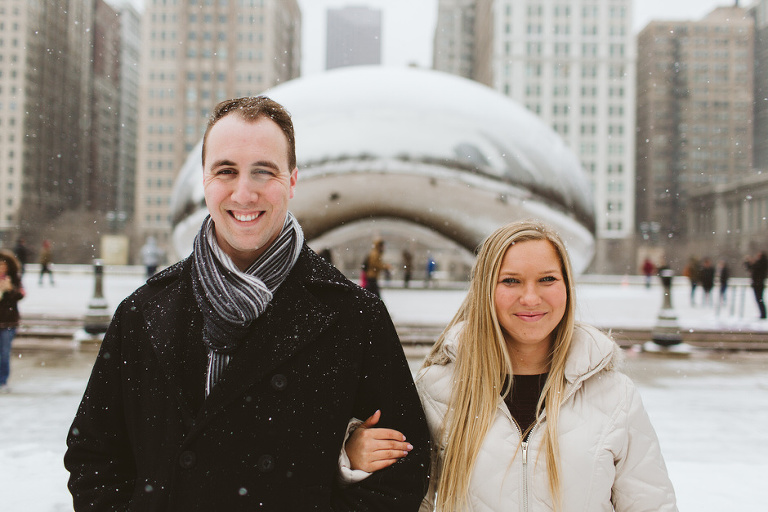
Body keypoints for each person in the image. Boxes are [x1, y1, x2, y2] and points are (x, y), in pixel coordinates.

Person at [64, 96, 430, 511]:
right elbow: (93, 458)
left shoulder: (354, 317)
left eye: (263, 172)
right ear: (204, 180)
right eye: (226, 171)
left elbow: (404, 470)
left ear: (292, 181)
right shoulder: (143, 313)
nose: (243, 192)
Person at [345, 220, 677, 511]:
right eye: (511, 281)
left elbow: (650, 504)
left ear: (567, 287)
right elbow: (403, 500)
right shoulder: (437, 390)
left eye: (547, 278)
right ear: (485, 290)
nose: (531, 298)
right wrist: (352, 458)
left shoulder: (615, 396)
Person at [0, 250, 24, 393]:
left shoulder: (14, 278)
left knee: (4, 352)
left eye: (3, 264)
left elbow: (21, 295)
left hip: (8, 321)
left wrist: (10, 290)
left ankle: (3, 381)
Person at [744, 250, 768, 319]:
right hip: (757, 284)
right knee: (759, 299)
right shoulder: (760, 263)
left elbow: (753, 268)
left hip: (758, 284)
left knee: (759, 299)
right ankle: (762, 314)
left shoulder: (762, 263)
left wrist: (750, 262)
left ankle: (763, 314)